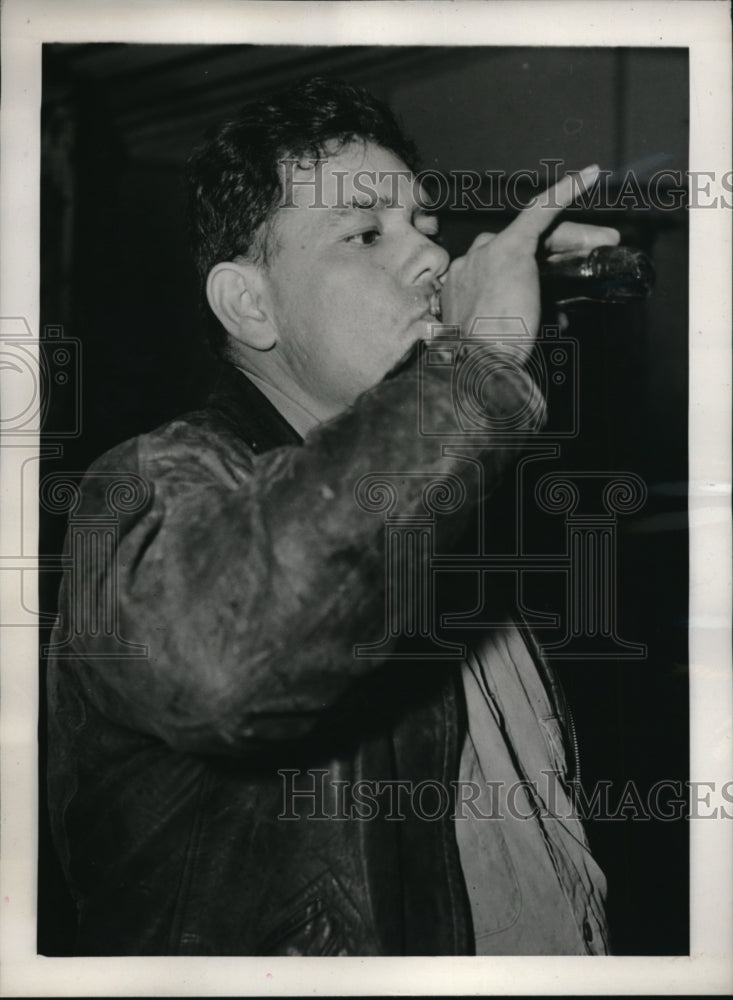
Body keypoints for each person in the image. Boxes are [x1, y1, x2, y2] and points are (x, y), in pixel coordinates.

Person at [46, 76, 620, 956]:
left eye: (423, 226)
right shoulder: (153, 485)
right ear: (250, 305)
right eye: (365, 234)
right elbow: (228, 661)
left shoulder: (440, 508)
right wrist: (479, 363)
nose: (431, 259)